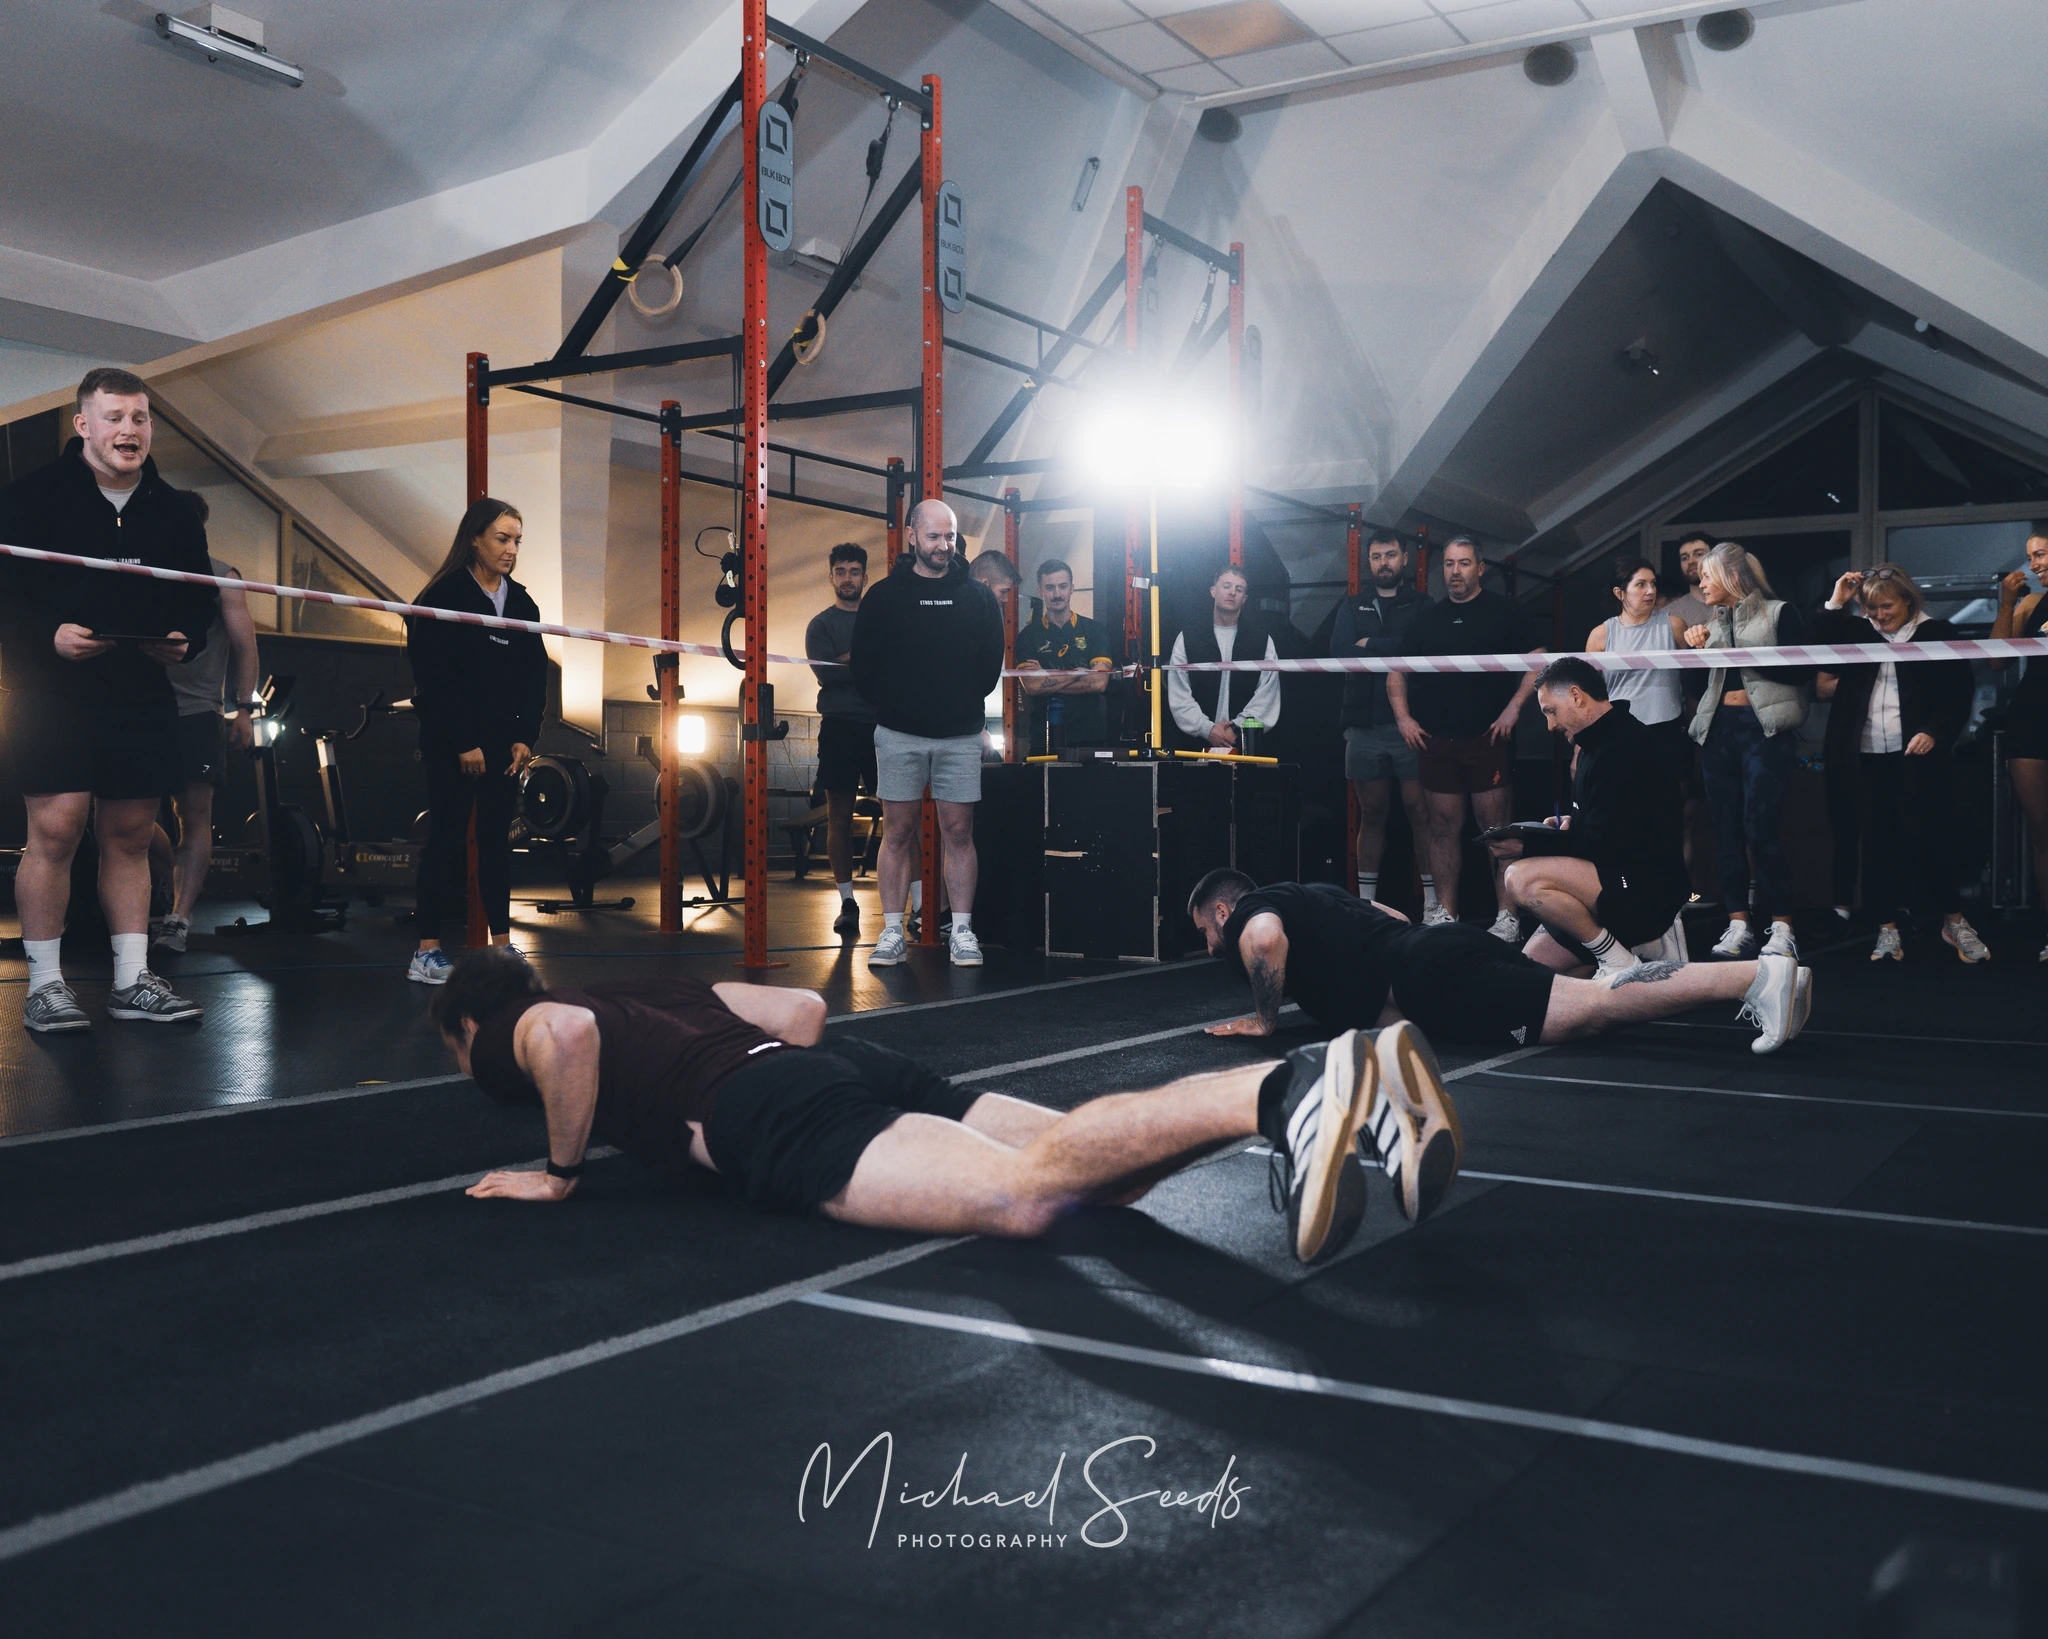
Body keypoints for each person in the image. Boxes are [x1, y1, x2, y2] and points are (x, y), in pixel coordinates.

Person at [437, 947, 1458, 1264]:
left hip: (772, 1111)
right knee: (1085, 1177)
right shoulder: (648, 986)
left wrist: (559, 1171)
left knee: (1020, 1195)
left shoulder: (540, 1016)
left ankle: (1290, 1088)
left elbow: (560, 1044)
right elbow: (798, 1008)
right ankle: (1315, 1095)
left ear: (476, 1020)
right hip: (832, 1068)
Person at [0, 367, 216, 1031]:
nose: (129, 430)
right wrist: (48, 637)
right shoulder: (32, 497)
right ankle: (46, 985)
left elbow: (197, 596)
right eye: (115, 417)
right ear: (84, 424)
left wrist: (186, 637)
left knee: (128, 833)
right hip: (51, 690)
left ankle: (132, 979)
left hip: (137, 691)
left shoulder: (173, 508)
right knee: (57, 828)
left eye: (140, 418)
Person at [1189, 870, 1809, 1060]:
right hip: (1442, 952)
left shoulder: (1253, 914)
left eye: (1205, 933)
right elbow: (1392, 917)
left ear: (1221, 909)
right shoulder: (1313, 895)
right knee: (1580, 994)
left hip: (1435, 977)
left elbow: (1264, 944)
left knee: (1598, 1006)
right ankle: (1766, 977)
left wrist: (1266, 1020)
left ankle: (1757, 976)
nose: (1213, 946)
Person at [851, 499, 1006, 968]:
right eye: (935, 536)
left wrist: (957, 708)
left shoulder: (978, 598)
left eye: (951, 536)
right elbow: (863, 670)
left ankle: (961, 930)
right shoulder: (882, 596)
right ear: (912, 537)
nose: (945, 546)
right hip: (898, 733)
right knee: (897, 831)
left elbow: (988, 669)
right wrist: (900, 706)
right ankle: (893, 931)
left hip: (959, 734)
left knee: (959, 831)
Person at [403, 498, 547, 984]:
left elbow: (535, 678)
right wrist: (464, 742)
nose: (511, 550)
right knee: (446, 838)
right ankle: (425, 952)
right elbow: (435, 678)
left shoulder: (522, 603)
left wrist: (525, 737)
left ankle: (503, 947)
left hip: (504, 748)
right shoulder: (443, 596)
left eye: (517, 541)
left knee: (494, 843)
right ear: (475, 539)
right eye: (503, 539)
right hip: (454, 745)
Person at [1814, 567, 1986, 962]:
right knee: (1875, 844)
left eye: (1886, 606)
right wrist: (1837, 601)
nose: (1879, 616)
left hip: (1919, 753)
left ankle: (1954, 921)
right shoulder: (1859, 630)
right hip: (1865, 753)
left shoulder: (1937, 632)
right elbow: (1816, 645)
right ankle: (1886, 929)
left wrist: (1936, 732)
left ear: (1908, 599)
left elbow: (1960, 692)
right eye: (1871, 609)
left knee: (1935, 838)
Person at [1384, 536, 1546, 939]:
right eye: (1449, 565)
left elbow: (1540, 659)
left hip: (1487, 739)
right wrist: (1403, 718)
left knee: (1497, 830)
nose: (1455, 572)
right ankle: (1446, 914)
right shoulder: (1428, 619)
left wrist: (1515, 707)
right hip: (1437, 742)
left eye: (1464, 564)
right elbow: (1395, 671)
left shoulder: (1505, 612)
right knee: (1441, 827)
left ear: (1480, 567)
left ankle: (1507, 915)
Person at [1490, 657, 1689, 977]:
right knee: (1529, 977)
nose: (1550, 725)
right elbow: (1606, 825)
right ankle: (1624, 956)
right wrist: (1568, 825)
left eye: (1550, 711)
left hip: (1644, 893)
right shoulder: (1596, 745)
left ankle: (1621, 959)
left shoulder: (1623, 747)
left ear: (1576, 696)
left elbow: (1603, 845)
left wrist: (1529, 847)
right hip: (1614, 880)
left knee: (1520, 877)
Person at [1683, 543, 1812, 959]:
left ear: (1730, 577)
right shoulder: (1709, 625)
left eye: (1706, 575)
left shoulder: (1781, 613)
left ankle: (1782, 926)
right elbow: (1695, 690)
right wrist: (1695, 652)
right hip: (1719, 732)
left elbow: (1801, 671)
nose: (1700, 583)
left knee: (1760, 828)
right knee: (1725, 830)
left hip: (1765, 731)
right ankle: (1738, 924)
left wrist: (1738, 653)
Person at [146, 494, 262, 955]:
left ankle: (179, 917)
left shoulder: (222, 575)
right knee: (122, 819)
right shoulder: (141, 570)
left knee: (193, 817)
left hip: (196, 712)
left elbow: (245, 646)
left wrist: (245, 709)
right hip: (141, 710)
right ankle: (159, 886)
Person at [1332, 528, 1433, 905]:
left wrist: (1370, 645)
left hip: (1413, 723)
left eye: (1390, 555)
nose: (1383, 563)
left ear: (1404, 559)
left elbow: (1423, 648)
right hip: (1362, 725)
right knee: (1371, 813)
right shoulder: (1352, 604)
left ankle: (1434, 905)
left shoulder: (1422, 605)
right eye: (1376, 557)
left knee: (1420, 813)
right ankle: (1367, 904)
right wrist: (1393, 649)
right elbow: (1339, 650)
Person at [804, 543, 876, 937]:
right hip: (840, 725)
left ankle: (920, 906)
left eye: (855, 571)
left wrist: (849, 659)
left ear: (866, 576)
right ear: (831, 576)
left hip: (884, 727)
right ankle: (848, 902)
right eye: (841, 571)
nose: (848, 578)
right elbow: (828, 675)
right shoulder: (820, 625)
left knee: (903, 819)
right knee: (839, 818)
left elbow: (890, 670)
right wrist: (865, 661)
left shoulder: (880, 620)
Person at [1989, 523, 2048, 961]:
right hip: (2033, 718)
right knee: (2043, 832)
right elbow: (1997, 660)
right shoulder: (2030, 602)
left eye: (2041, 554)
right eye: (2030, 556)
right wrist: (2007, 603)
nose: (2034, 564)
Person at [1585, 558, 1689, 787]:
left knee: (1671, 803)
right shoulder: (1601, 635)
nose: (1650, 591)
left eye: (1653, 583)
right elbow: (1589, 696)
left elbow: (1691, 678)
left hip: (1667, 727)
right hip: (1619, 731)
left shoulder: (1674, 625)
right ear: (1619, 593)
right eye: (1641, 584)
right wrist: (1579, 748)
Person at [1166, 565, 1283, 751]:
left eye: (1239, 589)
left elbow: (1267, 695)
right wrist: (1207, 729)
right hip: (1195, 746)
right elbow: (1179, 693)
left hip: (1245, 745)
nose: (1232, 593)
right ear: (1213, 591)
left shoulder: (1261, 640)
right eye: (1226, 586)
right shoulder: (1188, 638)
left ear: (1244, 598)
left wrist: (1236, 729)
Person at [1014, 558, 1114, 753]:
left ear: (1072, 588)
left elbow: (1099, 683)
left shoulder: (1095, 630)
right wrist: (1078, 673)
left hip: (1088, 737)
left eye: (1063, 586)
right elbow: (1032, 687)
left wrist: (1047, 679)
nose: (1057, 594)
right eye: (1050, 587)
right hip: (1042, 739)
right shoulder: (1027, 636)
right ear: (1040, 591)